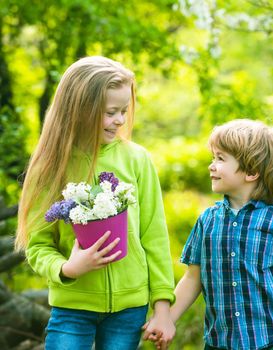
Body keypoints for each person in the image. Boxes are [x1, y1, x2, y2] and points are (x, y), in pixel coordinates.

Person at [15, 56, 175, 350]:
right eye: (111, 112)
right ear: (79, 110)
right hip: (72, 309)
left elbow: (154, 235)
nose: (121, 120)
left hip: (129, 310)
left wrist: (162, 307)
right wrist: (67, 269)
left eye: (124, 111)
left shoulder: (137, 159)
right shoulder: (51, 166)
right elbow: (37, 245)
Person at [149, 119, 273, 349]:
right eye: (213, 157)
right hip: (221, 343)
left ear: (251, 172)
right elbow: (193, 277)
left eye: (220, 159)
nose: (211, 165)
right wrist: (167, 318)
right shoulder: (207, 220)